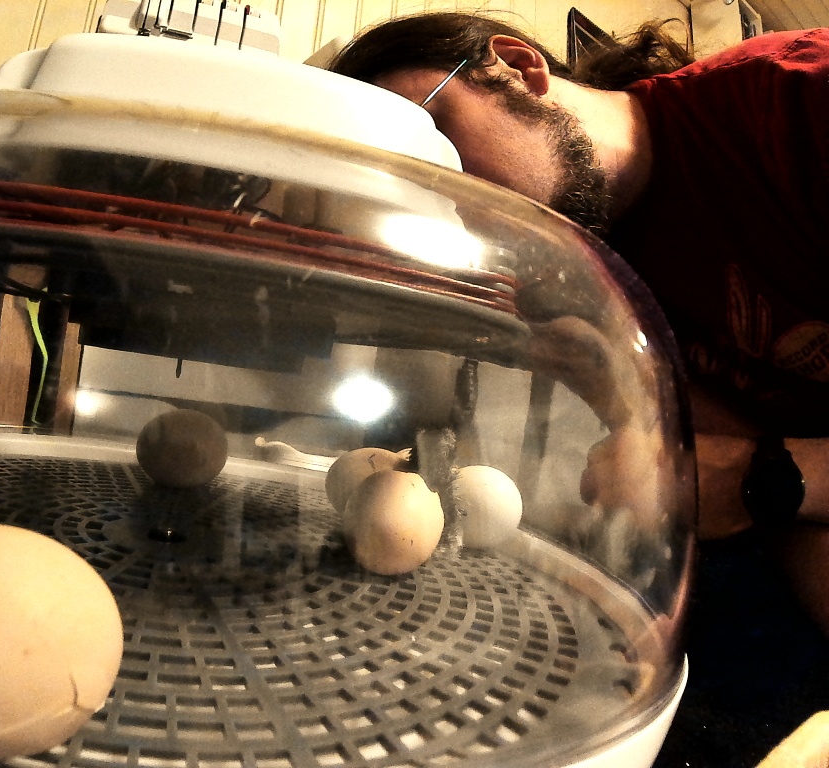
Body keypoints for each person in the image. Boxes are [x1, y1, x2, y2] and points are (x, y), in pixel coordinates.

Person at [331, 12, 829, 766]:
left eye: (441, 142)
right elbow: (745, 477)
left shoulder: (793, 108)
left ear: (516, 66)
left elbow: (753, 475)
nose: (452, 201)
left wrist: (763, 479)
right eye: (415, 185)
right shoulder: (567, 280)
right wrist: (639, 412)